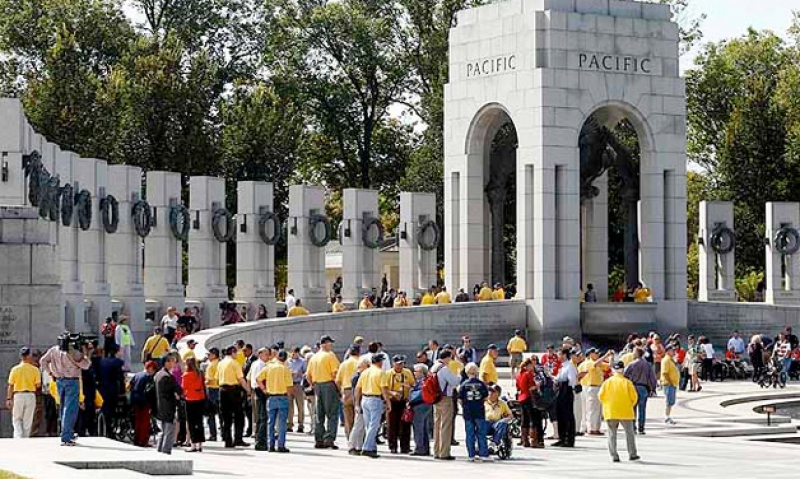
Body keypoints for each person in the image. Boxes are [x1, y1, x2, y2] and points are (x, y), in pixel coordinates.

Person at [40, 338, 91, 446]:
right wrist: (86, 353)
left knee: (63, 408)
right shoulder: (73, 352)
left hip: (59, 380)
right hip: (71, 381)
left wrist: (50, 372)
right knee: (70, 409)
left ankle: (67, 433)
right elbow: (86, 365)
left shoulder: (54, 350)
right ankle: (66, 436)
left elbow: (42, 361)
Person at [598, 361, 639, 463]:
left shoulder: (607, 382)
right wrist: (629, 405)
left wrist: (607, 405)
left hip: (611, 411)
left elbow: (600, 396)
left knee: (612, 434)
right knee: (629, 434)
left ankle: (614, 455)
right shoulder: (627, 382)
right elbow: (634, 398)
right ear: (623, 370)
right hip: (626, 412)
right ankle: (632, 454)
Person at [307, 335, 341, 449]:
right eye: (330, 343)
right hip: (329, 385)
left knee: (319, 414)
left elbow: (308, 375)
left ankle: (319, 439)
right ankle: (329, 439)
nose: (331, 345)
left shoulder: (314, 357)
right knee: (332, 413)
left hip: (317, 386)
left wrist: (313, 385)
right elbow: (334, 374)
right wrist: (339, 389)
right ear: (325, 344)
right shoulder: (330, 355)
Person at [354, 353, 390, 458]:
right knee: (374, 425)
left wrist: (357, 403)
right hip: (375, 399)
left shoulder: (365, 372)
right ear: (380, 362)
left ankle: (372, 447)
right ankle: (367, 448)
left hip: (365, 399)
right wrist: (388, 402)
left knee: (368, 425)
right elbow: (384, 389)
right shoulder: (380, 372)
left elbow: (357, 388)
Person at [259, 350, 293, 452]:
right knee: (282, 423)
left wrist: (264, 389)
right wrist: (289, 397)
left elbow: (258, 379)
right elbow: (289, 386)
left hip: (271, 397)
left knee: (271, 422)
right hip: (282, 397)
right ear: (285, 359)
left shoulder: (268, 366)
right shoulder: (285, 369)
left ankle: (271, 445)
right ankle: (281, 445)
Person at [218, 346, 251, 448]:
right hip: (233, 391)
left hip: (222, 390)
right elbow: (241, 379)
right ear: (232, 352)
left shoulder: (221, 363)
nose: (237, 355)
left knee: (226, 417)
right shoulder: (234, 363)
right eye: (236, 353)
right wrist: (248, 390)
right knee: (239, 416)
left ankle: (228, 440)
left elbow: (216, 378)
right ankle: (238, 439)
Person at [6, 347, 41, 438]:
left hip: (18, 395)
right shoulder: (35, 369)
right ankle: (25, 439)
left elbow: (11, 385)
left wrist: (9, 398)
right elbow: (38, 385)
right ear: (29, 356)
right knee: (28, 420)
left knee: (17, 418)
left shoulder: (15, 369)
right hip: (30, 395)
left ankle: (18, 437)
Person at [432, 350, 461, 460]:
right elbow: (455, 382)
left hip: (435, 399)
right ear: (447, 358)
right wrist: (458, 375)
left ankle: (436, 451)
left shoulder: (434, 367)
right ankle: (444, 452)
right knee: (445, 426)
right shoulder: (444, 369)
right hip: (445, 398)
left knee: (437, 425)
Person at [460, 362, 492, 462]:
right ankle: (483, 454)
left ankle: (471, 454)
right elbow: (486, 397)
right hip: (479, 411)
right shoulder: (481, 384)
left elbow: (460, 399)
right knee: (481, 433)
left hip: (468, 412)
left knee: (470, 434)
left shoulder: (464, 384)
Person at [384, 355, 414, 454]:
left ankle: (405, 446)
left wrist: (408, 387)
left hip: (404, 401)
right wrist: (392, 393)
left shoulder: (407, 373)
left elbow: (413, 385)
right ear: (393, 364)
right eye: (398, 364)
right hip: (392, 401)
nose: (400, 366)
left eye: (402, 364)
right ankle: (393, 446)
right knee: (392, 424)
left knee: (405, 424)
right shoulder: (388, 374)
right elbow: (383, 388)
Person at [578, 348, 612, 435]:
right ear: (590, 354)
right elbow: (595, 364)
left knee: (594, 409)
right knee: (593, 409)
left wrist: (611, 357)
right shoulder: (588, 362)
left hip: (594, 387)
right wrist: (606, 356)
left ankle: (591, 427)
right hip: (591, 387)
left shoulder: (598, 363)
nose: (597, 355)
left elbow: (609, 366)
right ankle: (592, 429)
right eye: (595, 353)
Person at [623, 348, 657, 434]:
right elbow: (652, 378)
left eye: (634, 352)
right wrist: (653, 389)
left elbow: (624, 375)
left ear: (638, 353)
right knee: (642, 409)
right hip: (644, 388)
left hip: (633, 387)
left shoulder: (632, 364)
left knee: (633, 408)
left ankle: (633, 427)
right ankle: (641, 428)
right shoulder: (648, 365)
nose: (633, 354)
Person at [155, 353, 182, 454]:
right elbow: (178, 390)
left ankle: (159, 452)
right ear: (166, 362)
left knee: (162, 432)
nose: (174, 363)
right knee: (169, 432)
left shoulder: (158, 375)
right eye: (172, 361)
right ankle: (166, 453)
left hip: (159, 407)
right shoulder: (168, 377)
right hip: (168, 407)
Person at [97, 346, 125, 438]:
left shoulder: (101, 362)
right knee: (111, 411)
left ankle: (101, 430)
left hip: (102, 389)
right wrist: (122, 390)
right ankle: (110, 431)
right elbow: (120, 378)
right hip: (112, 389)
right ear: (117, 352)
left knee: (104, 409)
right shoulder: (117, 362)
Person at [552, 347, 577, 447]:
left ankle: (569, 439)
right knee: (560, 415)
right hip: (560, 391)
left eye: (559, 354)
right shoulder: (562, 367)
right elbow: (558, 379)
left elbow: (572, 381)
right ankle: (561, 438)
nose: (558, 356)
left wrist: (568, 390)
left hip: (566, 392)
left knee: (568, 416)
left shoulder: (570, 366)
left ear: (564, 355)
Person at [129, 361, 158, 447]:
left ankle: (137, 440)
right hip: (144, 401)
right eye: (154, 369)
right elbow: (150, 391)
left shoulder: (137, 374)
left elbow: (130, 385)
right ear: (150, 368)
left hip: (135, 400)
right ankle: (143, 441)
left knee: (138, 420)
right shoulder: (148, 377)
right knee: (145, 422)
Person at [347, 357, 371, 455]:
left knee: (362, 426)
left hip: (364, 403)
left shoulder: (364, 375)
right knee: (358, 425)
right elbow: (356, 392)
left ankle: (359, 446)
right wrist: (357, 404)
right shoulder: (357, 377)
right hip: (360, 403)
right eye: (367, 366)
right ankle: (352, 445)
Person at [249, 348, 272, 450]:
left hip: (256, 390)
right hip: (260, 391)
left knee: (259, 417)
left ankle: (258, 438)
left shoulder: (255, 363)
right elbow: (259, 379)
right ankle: (261, 441)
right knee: (263, 417)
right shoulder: (260, 365)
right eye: (266, 354)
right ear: (260, 354)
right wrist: (264, 390)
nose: (268, 356)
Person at [182, 357, 206, 452]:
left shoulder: (186, 375)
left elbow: (183, 388)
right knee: (199, 422)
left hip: (190, 399)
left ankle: (193, 444)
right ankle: (200, 444)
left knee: (191, 423)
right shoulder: (199, 374)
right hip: (200, 398)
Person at [336, 345, 360, 437]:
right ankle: (357, 439)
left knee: (348, 417)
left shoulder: (344, 364)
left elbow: (337, 381)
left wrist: (341, 392)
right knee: (358, 417)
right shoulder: (361, 362)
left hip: (346, 391)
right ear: (359, 352)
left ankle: (349, 438)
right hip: (358, 391)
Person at [409, 363, 431, 456]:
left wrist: (409, 399)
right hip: (425, 405)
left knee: (418, 428)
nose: (414, 373)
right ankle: (425, 448)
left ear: (422, 372)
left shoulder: (422, 382)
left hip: (420, 406)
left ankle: (419, 448)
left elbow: (418, 395)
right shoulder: (424, 381)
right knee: (424, 428)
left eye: (416, 371)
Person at [287, 347, 307, 433]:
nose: (294, 354)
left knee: (300, 406)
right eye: (292, 353)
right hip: (289, 384)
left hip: (298, 385)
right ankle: (289, 424)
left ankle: (301, 425)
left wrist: (300, 374)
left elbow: (306, 373)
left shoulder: (302, 361)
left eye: (295, 353)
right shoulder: (287, 362)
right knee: (289, 406)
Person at [203, 347, 220, 441]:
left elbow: (209, 380)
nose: (208, 357)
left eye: (209, 355)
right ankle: (225, 435)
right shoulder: (221, 363)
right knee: (222, 414)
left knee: (211, 414)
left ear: (213, 355)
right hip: (221, 389)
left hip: (212, 390)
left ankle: (213, 434)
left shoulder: (211, 366)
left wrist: (204, 383)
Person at [661, 345, 680, 425]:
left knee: (670, 402)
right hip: (668, 384)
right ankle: (666, 417)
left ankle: (667, 416)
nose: (674, 352)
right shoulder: (666, 360)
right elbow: (665, 373)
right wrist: (671, 382)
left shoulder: (670, 360)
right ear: (668, 351)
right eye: (672, 350)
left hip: (672, 384)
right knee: (669, 401)